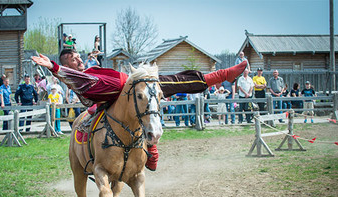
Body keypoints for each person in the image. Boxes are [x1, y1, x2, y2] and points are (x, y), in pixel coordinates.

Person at [31, 49, 247, 171]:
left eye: (77, 56)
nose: (77, 59)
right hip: (114, 92)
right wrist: (55, 67)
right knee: (165, 85)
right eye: (72, 59)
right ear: (66, 64)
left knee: (168, 83)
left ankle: (222, 75)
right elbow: (77, 81)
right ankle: (151, 148)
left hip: (127, 85)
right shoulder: (77, 77)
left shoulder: (90, 67)